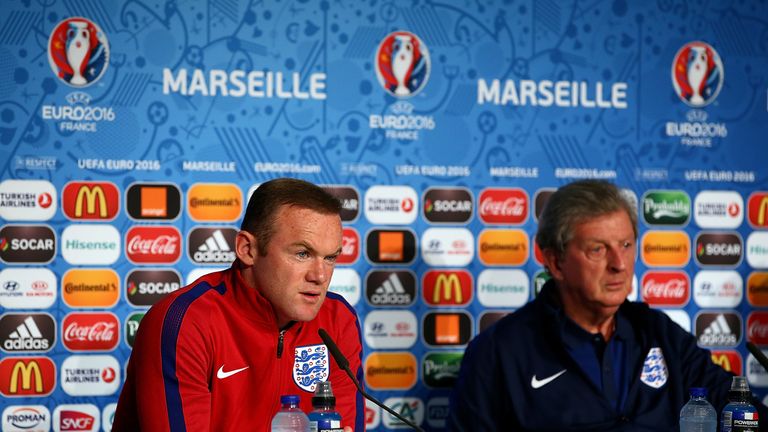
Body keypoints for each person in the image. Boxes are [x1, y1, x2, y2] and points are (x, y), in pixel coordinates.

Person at [448, 179, 767, 431]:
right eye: (598, 250)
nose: (619, 264)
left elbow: (737, 410)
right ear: (555, 261)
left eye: (626, 245)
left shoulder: (660, 334)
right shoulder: (498, 353)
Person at [113, 178, 364, 431]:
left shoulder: (338, 320)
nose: (320, 276)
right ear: (247, 249)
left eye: (330, 258)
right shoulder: (185, 321)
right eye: (302, 254)